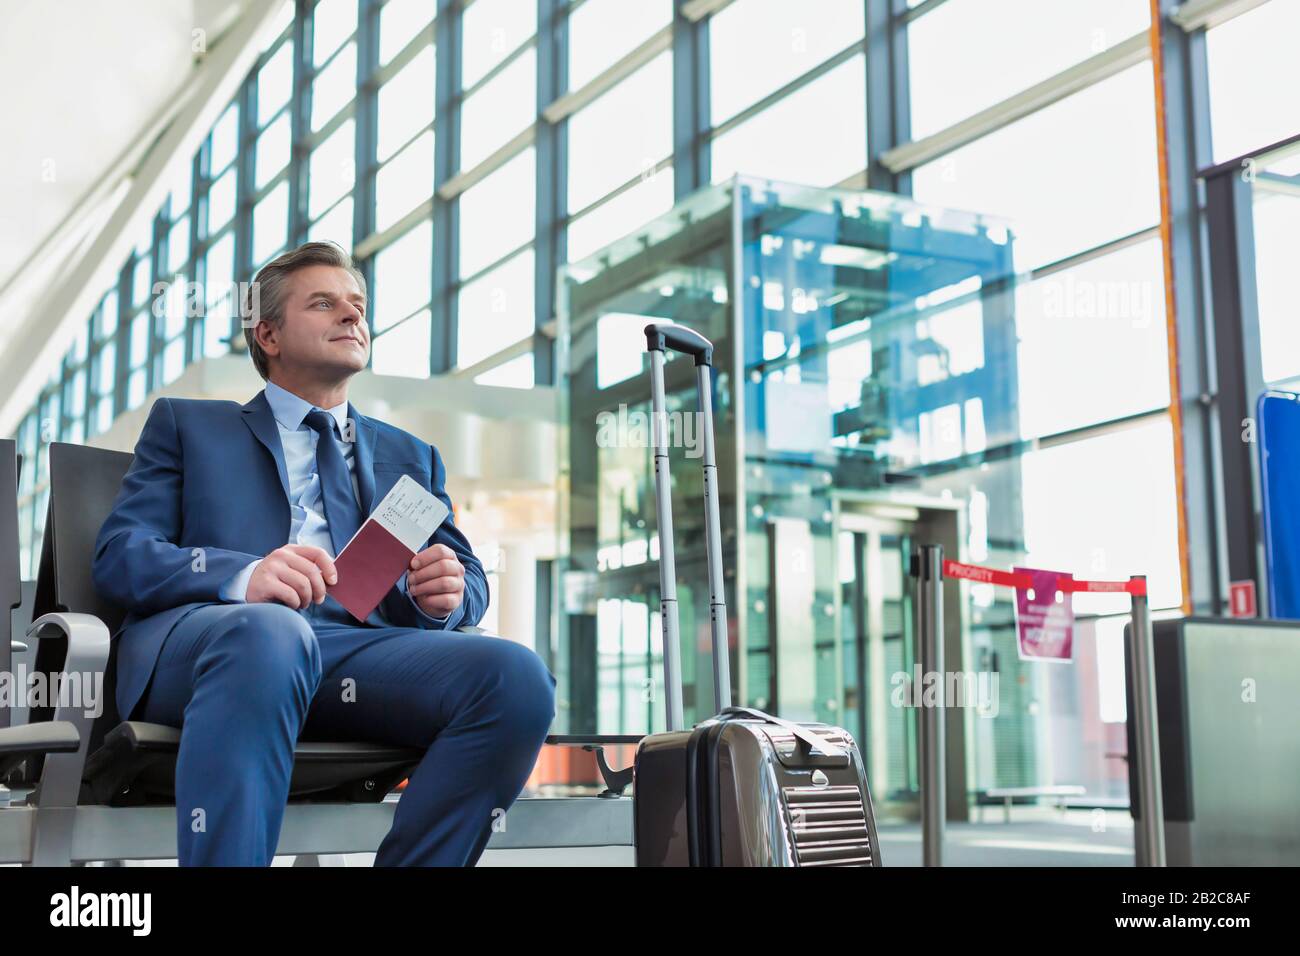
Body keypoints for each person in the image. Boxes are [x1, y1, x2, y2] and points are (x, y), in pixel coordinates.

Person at [92, 240, 555, 866]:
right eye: (324, 303)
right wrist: (244, 576)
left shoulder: (410, 457)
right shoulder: (190, 427)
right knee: (271, 633)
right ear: (269, 335)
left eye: (358, 305)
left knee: (515, 676)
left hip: (355, 657)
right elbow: (122, 555)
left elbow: (466, 576)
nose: (351, 316)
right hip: (220, 647)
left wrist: (448, 594)